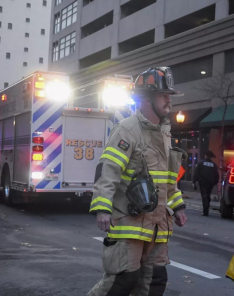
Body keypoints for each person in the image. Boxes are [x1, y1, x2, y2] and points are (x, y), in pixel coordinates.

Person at [87, 67, 188, 296]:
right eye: (164, 95)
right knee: (123, 281)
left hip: (158, 226)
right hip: (130, 224)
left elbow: (167, 180)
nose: (168, 101)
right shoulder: (127, 130)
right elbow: (108, 171)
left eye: (169, 96)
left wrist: (178, 205)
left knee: (154, 283)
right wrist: (102, 207)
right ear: (146, 99)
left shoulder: (164, 133)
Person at [193, 150, 219, 216]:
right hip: (210, 183)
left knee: (204, 196)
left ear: (206, 156)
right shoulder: (214, 165)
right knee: (208, 195)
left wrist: (194, 181)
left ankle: (205, 211)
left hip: (202, 182)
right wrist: (215, 182)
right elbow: (217, 175)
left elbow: (196, 173)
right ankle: (207, 207)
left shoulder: (201, 163)